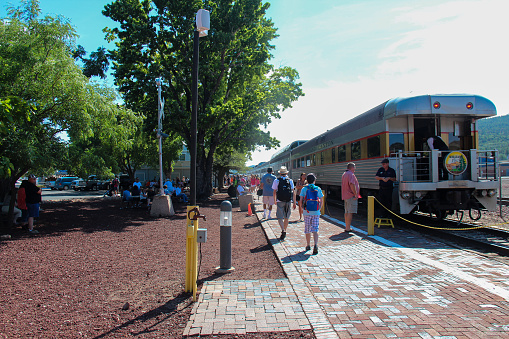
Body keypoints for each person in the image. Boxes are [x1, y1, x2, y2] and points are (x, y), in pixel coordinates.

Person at [299, 173, 323, 254]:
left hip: (307, 211)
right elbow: (321, 200)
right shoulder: (318, 188)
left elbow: (301, 200)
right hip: (316, 212)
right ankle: (315, 245)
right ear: (314, 180)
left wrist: (302, 208)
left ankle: (308, 245)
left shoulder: (304, 189)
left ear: (307, 181)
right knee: (315, 229)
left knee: (307, 228)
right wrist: (319, 208)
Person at [272, 166, 294, 241]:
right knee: (286, 217)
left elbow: (274, 191)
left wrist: (275, 200)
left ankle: (283, 230)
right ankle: (285, 229)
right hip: (288, 201)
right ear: (286, 173)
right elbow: (293, 191)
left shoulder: (276, 181)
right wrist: (293, 202)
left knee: (280, 217)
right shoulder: (290, 180)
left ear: (280, 173)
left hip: (279, 200)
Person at [341, 163, 360, 233]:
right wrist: (355, 194)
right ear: (352, 167)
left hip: (346, 195)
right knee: (350, 212)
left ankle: (347, 226)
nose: (355, 168)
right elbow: (352, 184)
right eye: (355, 167)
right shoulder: (351, 174)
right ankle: (348, 228)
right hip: (350, 196)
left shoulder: (344, 174)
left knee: (347, 211)